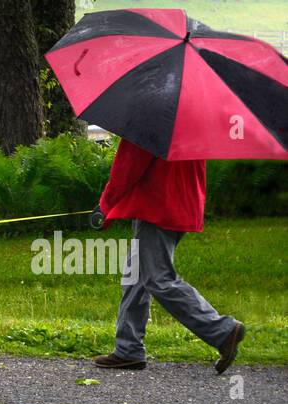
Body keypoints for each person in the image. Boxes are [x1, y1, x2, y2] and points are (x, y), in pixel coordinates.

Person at [91, 138, 244, 374]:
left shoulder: (146, 119)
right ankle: (128, 349)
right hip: (181, 202)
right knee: (136, 277)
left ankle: (221, 330)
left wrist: (105, 204)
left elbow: (129, 164)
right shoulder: (186, 121)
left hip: (157, 206)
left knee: (158, 278)